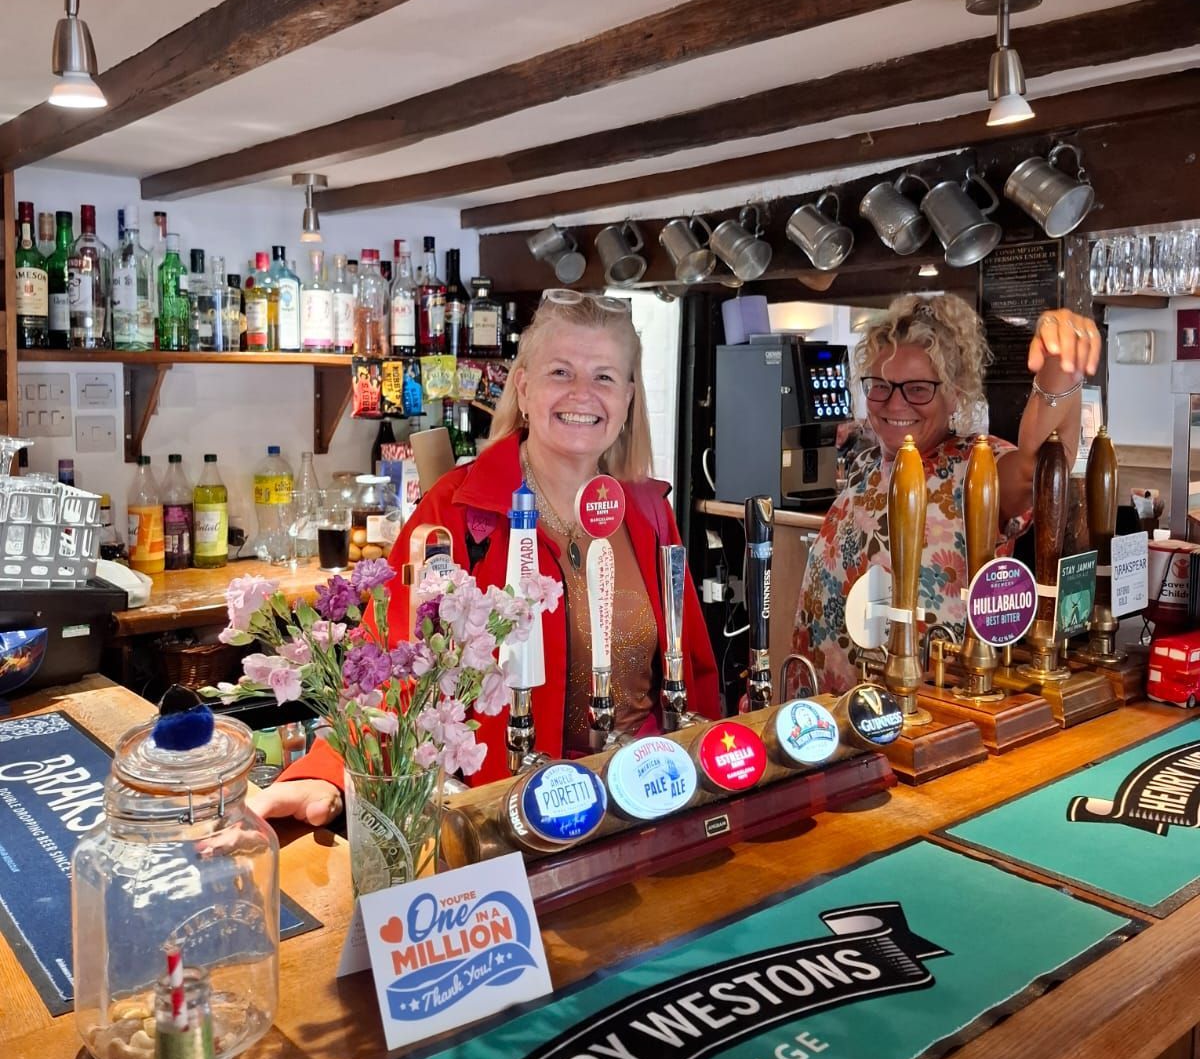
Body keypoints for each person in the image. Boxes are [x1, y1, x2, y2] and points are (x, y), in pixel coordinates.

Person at [255, 290, 720, 822]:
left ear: (628, 399)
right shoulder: (455, 512)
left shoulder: (648, 512)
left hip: (648, 800)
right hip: (515, 817)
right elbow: (387, 667)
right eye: (561, 372)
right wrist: (324, 772)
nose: (583, 394)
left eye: (605, 377)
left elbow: (695, 679)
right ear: (523, 386)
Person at [793, 293, 1101, 694]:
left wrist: (1061, 367)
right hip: (823, 714)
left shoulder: (976, 465)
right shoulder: (866, 467)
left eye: (918, 389)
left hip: (917, 717)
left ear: (954, 393)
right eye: (880, 386)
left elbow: (1036, 468)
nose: (895, 403)